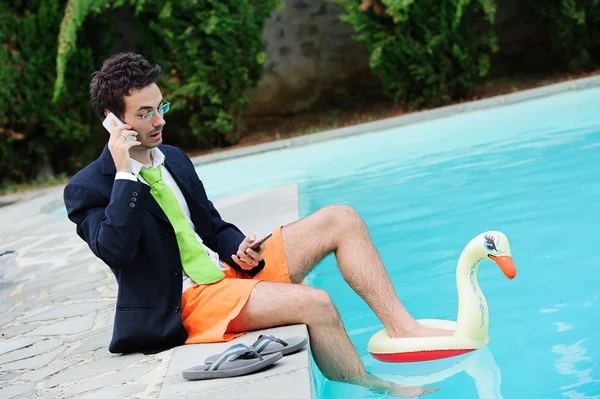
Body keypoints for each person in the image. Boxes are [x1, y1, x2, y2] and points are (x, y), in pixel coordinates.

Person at [64, 52, 449, 397]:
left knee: (341, 218)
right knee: (316, 303)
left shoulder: (174, 158)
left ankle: (403, 328)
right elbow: (115, 248)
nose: (160, 120)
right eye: (144, 113)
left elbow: (212, 226)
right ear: (113, 122)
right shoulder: (88, 188)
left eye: (160, 106)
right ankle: (373, 388)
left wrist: (239, 248)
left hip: (226, 274)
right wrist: (124, 174)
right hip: (183, 300)